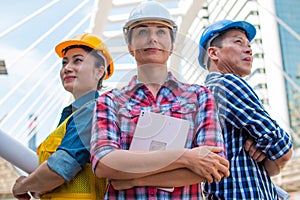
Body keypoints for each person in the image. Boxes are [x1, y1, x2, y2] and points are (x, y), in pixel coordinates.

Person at [90, 1, 230, 199]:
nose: (152, 39)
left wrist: (134, 178)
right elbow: (104, 164)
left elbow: (212, 165)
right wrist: (186, 157)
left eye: (161, 32)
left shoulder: (199, 97)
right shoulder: (110, 102)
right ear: (129, 45)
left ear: (172, 44)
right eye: (142, 32)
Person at [198, 19, 293, 199]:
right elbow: (283, 150)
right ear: (213, 52)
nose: (249, 49)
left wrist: (263, 149)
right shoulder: (226, 83)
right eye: (238, 42)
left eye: (249, 45)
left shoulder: (203, 95)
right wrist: (269, 155)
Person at [12, 33, 114, 200]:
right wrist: (39, 185)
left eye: (77, 60)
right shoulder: (71, 115)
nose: (67, 67)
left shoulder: (93, 110)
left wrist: (24, 185)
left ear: (99, 71)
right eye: (64, 62)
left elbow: (61, 168)